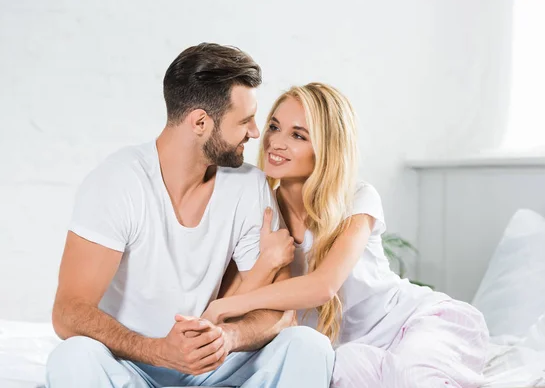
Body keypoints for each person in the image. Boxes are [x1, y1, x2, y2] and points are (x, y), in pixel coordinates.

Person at [46, 44, 334, 388]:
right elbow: (68, 312)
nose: (256, 133)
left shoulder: (248, 185)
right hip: (133, 366)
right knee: (72, 357)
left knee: (308, 345)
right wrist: (157, 350)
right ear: (200, 122)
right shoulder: (118, 182)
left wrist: (229, 336)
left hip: (217, 369)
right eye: (245, 121)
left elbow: (280, 313)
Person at [202, 82, 489, 388]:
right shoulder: (259, 212)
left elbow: (323, 286)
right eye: (274, 126)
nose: (276, 142)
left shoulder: (356, 199)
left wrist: (226, 307)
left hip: (412, 322)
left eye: (298, 135)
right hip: (349, 353)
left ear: (327, 146)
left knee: (412, 378)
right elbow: (240, 305)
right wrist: (267, 262)